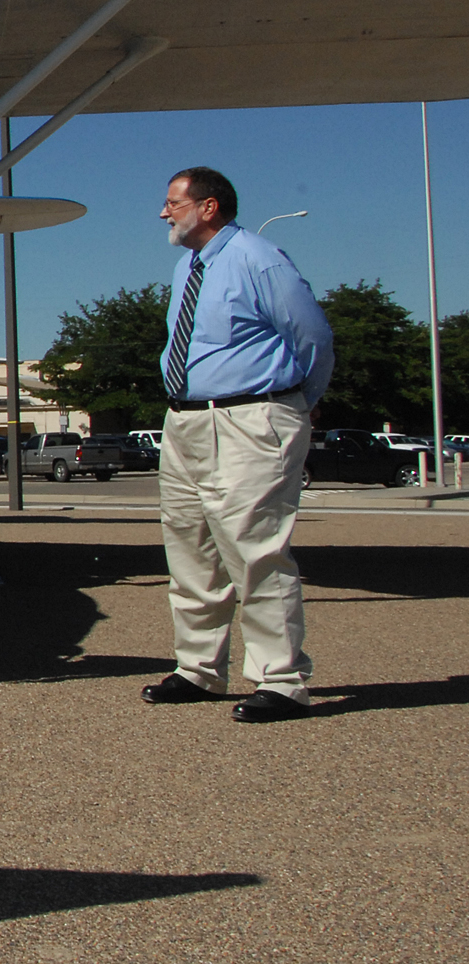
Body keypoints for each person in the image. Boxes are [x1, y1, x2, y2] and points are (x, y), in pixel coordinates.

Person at [142, 166, 334, 722]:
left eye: (172, 203)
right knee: (191, 549)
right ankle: (198, 670)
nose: (163, 213)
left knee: (254, 550)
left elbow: (312, 336)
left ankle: (282, 680)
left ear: (209, 207)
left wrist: (300, 399)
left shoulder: (258, 258)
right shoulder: (189, 267)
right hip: (186, 421)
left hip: (249, 418)